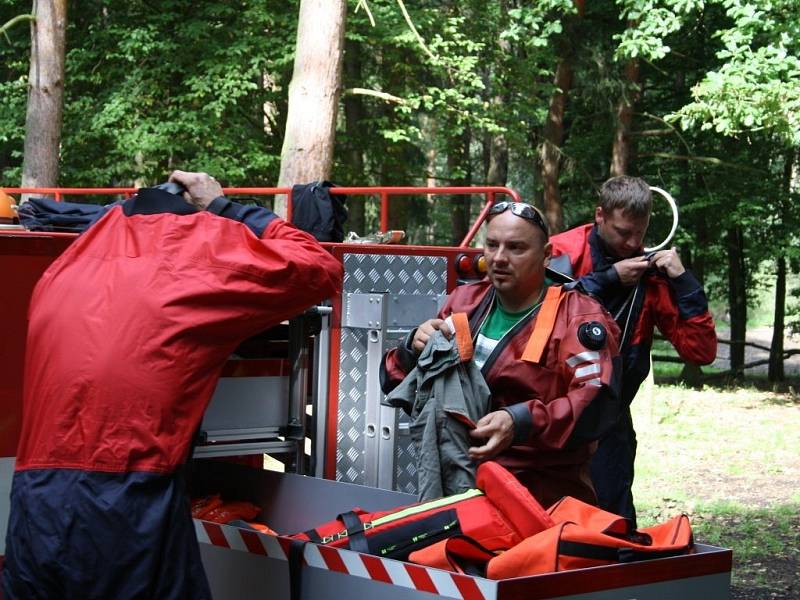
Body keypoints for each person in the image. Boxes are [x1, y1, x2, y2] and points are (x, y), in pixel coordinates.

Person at [1, 171, 343, 599]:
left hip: (35, 502)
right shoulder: (199, 245)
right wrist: (222, 207)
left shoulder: (70, 260)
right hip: (124, 499)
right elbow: (319, 268)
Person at [381, 201, 622, 509]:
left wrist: (519, 421)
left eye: (516, 248)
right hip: (457, 486)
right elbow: (399, 383)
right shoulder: (465, 302)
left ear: (547, 255)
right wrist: (411, 347)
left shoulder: (577, 316)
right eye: (492, 245)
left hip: (541, 499)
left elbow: (597, 401)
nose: (499, 258)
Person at [549, 175, 717, 524]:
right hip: (547, 413)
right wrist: (609, 278)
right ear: (600, 216)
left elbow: (701, 350)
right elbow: (536, 311)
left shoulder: (651, 277)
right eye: (624, 232)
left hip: (609, 419)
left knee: (612, 524)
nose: (633, 243)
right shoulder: (563, 250)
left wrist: (685, 281)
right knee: (545, 519)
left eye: (640, 234)